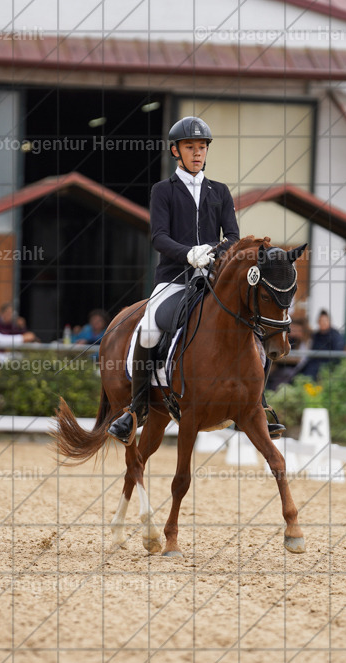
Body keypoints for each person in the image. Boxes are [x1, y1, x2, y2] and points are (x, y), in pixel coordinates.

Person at [107, 116, 243, 445]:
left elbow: (234, 236)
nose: (197, 153)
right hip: (174, 279)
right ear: (175, 151)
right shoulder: (162, 191)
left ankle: (259, 404)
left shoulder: (220, 192)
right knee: (151, 326)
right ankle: (135, 408)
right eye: (189, 147)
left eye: (201, 147)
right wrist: (188, 254)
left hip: (212, 280)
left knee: (248, 324)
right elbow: (159, 237)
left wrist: (212, 251)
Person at [301, 310, 346, 380]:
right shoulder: (316, 335)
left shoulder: (335, 336)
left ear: (329, 322)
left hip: (327, 366)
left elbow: (337, 356)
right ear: (318, 322)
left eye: (325, 321)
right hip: (313, 364)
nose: (323, 323)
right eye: (321, 321)